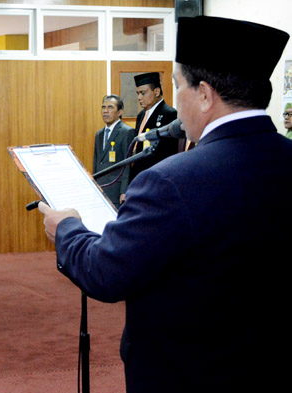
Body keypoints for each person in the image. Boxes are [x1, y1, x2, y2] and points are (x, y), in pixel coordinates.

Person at [38, 16, 290, 393]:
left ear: (204, 95)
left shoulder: (171, 181)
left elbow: (106, 272)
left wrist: (68, 229)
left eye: (177, 86)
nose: (176, 100)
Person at [124, 72, 179, 202]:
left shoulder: (169, 114)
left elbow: (168, 152)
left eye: (143, 93)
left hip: (155, 178)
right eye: (137, 93)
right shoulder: (141, 115)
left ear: (156, 91)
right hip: (138, 175)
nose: (139, 97)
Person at [92, 95, 136, 208]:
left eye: (110, 107)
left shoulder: (127, 132)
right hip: (100, 189)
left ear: (120, 112)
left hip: (116, 190)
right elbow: (96, 163)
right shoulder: (99, 134)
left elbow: (127, 164)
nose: (105, 111)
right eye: (103, 107)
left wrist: (124, 191)